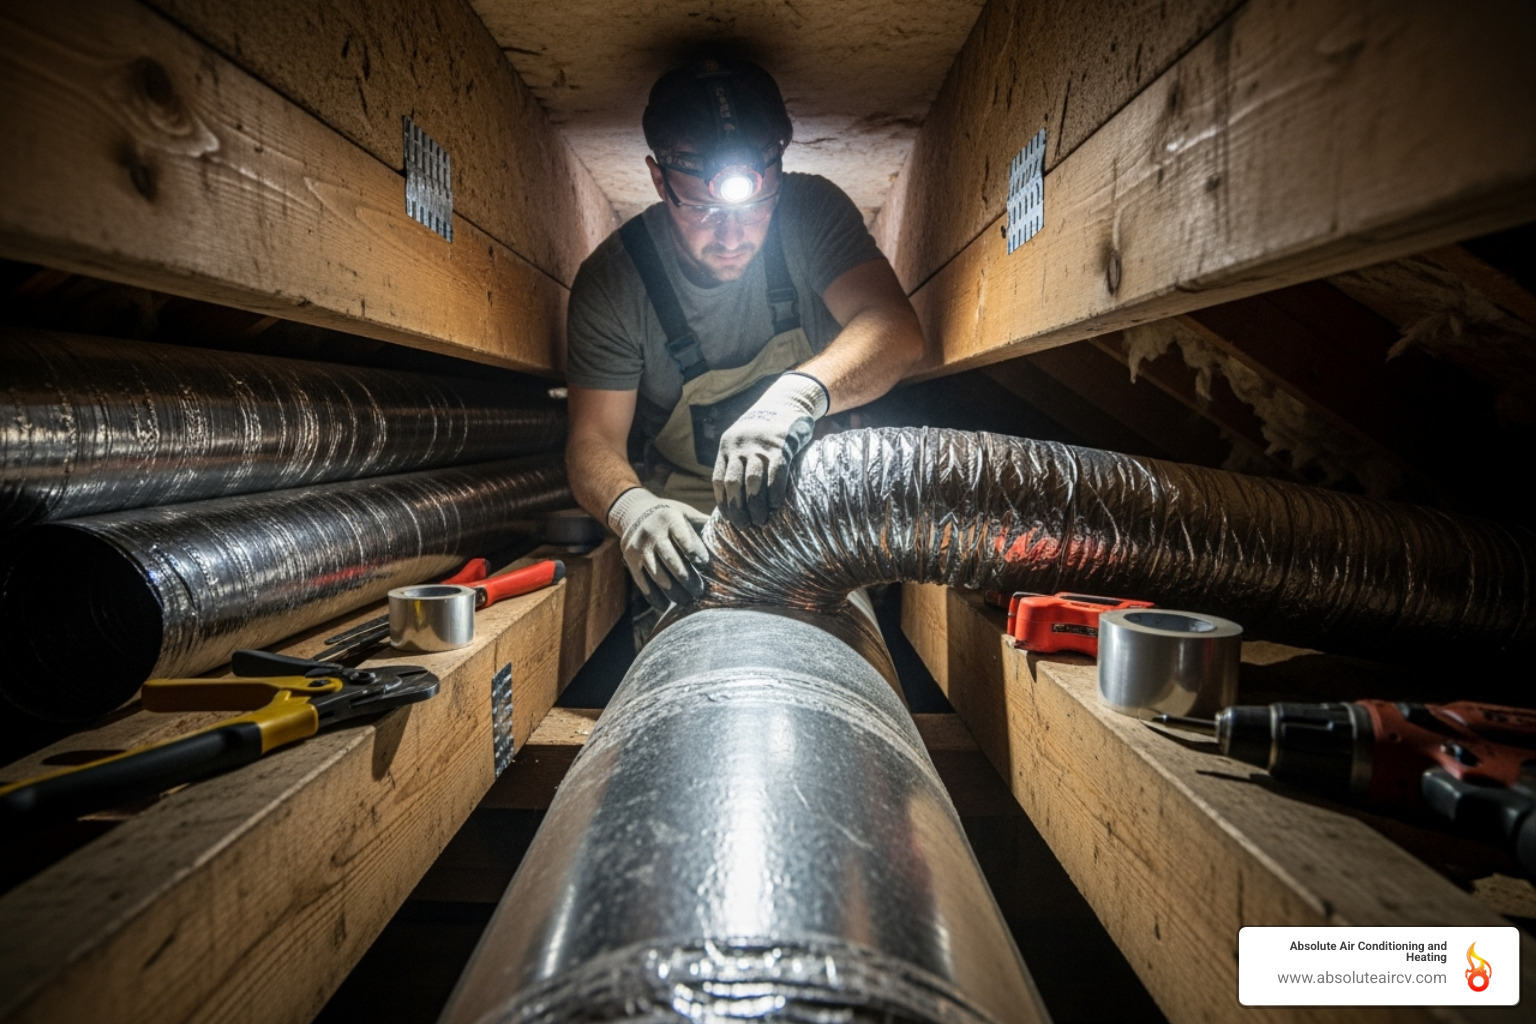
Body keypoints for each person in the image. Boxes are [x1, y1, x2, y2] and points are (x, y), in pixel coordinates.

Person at [564, 56, 924, 623]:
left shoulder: (809, 212)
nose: (732, 235)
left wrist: (795, 398)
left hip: (819, 519)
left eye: (757, 206)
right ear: (659, 180)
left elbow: (895, 330)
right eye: (704, 210)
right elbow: (592, 438)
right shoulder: (614, 282)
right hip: (692, 542)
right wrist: (632, 510)